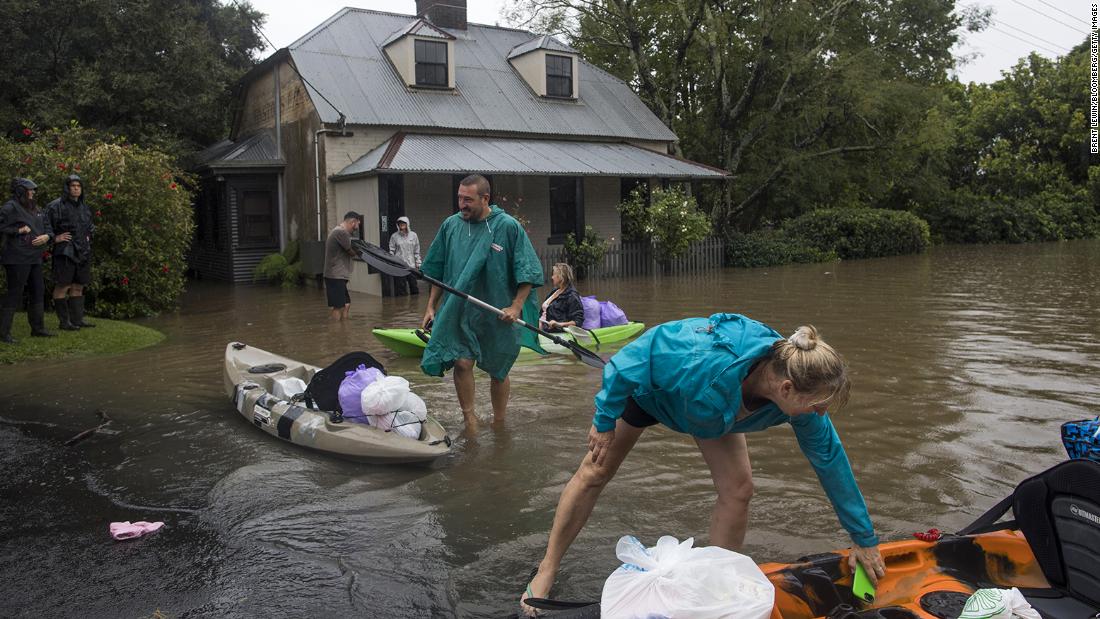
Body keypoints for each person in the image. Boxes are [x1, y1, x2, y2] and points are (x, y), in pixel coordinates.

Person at [520, 314, 885, 616]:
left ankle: (716, 581)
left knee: (739, 490)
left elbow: (829, 459)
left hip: (714, 414)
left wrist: (863, 539)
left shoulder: (796, 393)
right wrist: (603, 422)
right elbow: (626, 362)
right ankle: (547, 568)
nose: (820, 414)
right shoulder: (699, 358)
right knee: (595, 471)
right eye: (818, 406)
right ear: (787, 389)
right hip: (656, 395)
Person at [419, 174, 544, 428]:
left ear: (485, 198)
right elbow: (437, 270)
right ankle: (470, 419)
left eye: (468, 199)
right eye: (459, 199)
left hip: (496, 311)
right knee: (462, 362)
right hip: (460, 309)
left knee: (498, 370)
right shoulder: (450, 226)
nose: (462, 204)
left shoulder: (508, 226)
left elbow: (528, 271)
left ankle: (499, 421)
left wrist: (516, 306)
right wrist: (431, 306)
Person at [0, 178, 55, 343]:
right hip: (16, 257)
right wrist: (18, 230)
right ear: (21, 191)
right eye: (30, 190)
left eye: (33, 190)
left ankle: (38, 329)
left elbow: (48, 227)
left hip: (35, 257)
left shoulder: (36, 209)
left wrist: (47, 236)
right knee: (14, 293)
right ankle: (3, 333)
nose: (33, 193)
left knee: (38, 291)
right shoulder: (10, 207)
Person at [46, 174, 95, 330]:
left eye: (78, 186)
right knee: (63, 285)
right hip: (65, 251)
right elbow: (44, 226)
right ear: (67, 188)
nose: (76, 188)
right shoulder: (55, 206)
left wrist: (89, 235)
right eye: (73, 185)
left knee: (79, 285)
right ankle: (64, 322)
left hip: (83, 251)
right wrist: (55, 238)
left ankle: (77, 320)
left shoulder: (84, 207)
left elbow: (89, 226)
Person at [323, 211, 361, 320]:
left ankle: (343, 329)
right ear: (353, 222)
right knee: (338, 306)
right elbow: (352, 251)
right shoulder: (341, 233)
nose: (356, 229)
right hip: (335, 275)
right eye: (357, 225)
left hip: (338, 275)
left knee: (346, 304)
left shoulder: (338, 231)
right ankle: (335, 331)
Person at [539, 262, 584, 333]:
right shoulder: (554, 291)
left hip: (554, 332)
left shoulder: (572, 296)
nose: (552, 277)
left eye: (553, 274)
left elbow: (578, 321)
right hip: (541, 329)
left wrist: (559, 324)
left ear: (560, 277)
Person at [388, 215, 421, 296]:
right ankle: (402, 307)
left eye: (403, 223)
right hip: (399, 266)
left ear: (407, 224)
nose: (401, 225)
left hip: (411, 265)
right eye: (399, 223)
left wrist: (418, 262)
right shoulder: (394, 236)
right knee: (401, 289)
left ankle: (414, 306)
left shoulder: (414, 235)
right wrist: (391, 262)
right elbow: (391, 251)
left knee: (414, 287)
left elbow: (417, 250)